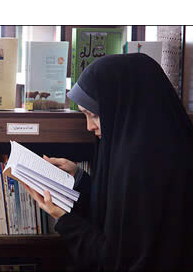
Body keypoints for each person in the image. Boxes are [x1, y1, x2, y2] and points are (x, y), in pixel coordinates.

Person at [23, 53, 193, 271]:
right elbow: (121, 214)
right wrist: (79, 178)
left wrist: (63, 218)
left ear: (120, 106)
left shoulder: (140, 166)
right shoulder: (159, 146)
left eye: (93, 115)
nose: (89, 127)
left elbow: (116, 260)